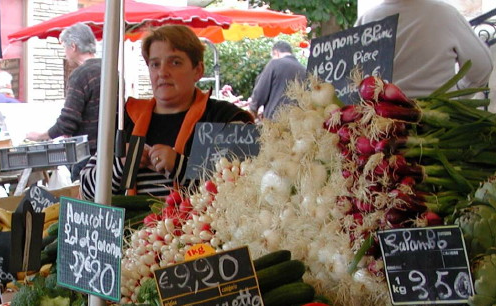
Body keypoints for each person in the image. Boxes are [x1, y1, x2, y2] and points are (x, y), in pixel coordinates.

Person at [79, 25, 253, 200]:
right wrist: (120, 165)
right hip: (133, 227)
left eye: (175, 62)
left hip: (200, 227)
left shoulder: (225, 121)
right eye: (155, 64)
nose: (162, 72)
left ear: (198, 70)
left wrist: (180, 167)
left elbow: (245, 190)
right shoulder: (125, 120)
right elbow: (86, 191)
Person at [355, 0, 493, 98]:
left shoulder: (367, 19)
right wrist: (459, 95)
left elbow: (349, 79)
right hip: (440, 125)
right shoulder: (444, 14)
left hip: (381, 128)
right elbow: (482, 66)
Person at [26, 22, 102, 175]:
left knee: (83, 198)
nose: (65, 54)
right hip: (111, 154)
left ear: (73, 47)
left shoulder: (80, 75)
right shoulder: (112, 70)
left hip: (87, 155)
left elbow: (68, 121)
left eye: (64, 48)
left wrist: (42, 136)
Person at [249, 40, 306, 121]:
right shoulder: (304, 69)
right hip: (298, 122)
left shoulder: (274, 64)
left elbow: (260, 92)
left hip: (274, 121)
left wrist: (253, 110)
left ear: (276, 53)